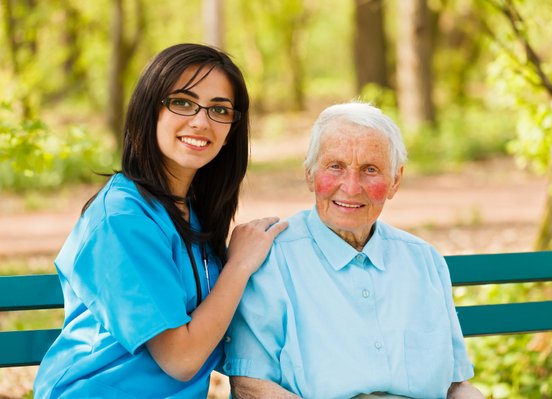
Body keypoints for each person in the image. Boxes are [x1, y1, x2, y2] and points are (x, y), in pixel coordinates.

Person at [33, 43, 287, 398]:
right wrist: (239, 265)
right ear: (149, 109)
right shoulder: (122, 219)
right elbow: (181, 358)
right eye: (182, 102)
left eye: (219, 109)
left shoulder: (190, 212)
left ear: (232, 128)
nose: (201, 121)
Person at [223, 102, 485, 399]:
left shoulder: (423, 260)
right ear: (309, 174)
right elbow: (250, 386)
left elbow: (456, 385)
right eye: (335, 166)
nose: (351, 186)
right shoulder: (271, 258)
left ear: (395, 180)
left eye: (370, 170)